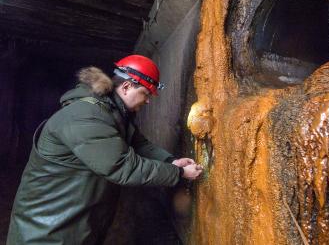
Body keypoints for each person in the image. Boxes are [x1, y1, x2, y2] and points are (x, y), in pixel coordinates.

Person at [7, 54, 203, 244]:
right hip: (46, 232)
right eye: (146, 93)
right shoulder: (85, 117)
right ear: (126, 87)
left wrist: (170, 161)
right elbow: (124, 167)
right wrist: (178, 173)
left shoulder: (111, 113)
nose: (148, 100)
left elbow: (140, 145)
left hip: (73, 224)